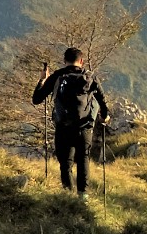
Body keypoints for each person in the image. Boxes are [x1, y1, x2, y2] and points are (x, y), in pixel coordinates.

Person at [32, 47, 109, 199]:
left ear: (64, 61)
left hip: (63, 127)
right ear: (82, 61)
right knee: (83, 159)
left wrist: (42, 79)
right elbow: (103, 102)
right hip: (84, 127)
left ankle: (68, 195)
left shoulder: (57, 76)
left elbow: (36, 99)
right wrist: (103, 117)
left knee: (66, 162)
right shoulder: (90, 77)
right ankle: (83, 197)